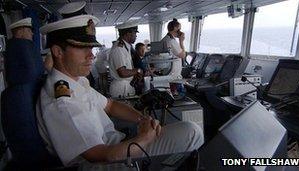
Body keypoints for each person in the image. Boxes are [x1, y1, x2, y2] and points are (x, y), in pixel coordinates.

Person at [36, 15, 204, 167]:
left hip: (119, 144)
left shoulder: (75, 81)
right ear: (58, 51)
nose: (92, 56)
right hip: (110, 161)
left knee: (189, 130)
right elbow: (100, 156)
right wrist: (144, 138)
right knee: (191, 132)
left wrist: (143, 119)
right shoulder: (62, 101)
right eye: (82, 48)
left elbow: (110, 105)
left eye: (91, 48)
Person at [4, 17, 44, 86]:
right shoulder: (22, 47)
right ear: (20, 32)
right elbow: (32, 72)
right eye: (29, 30)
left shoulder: (15, 46)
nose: (32, 33)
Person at [108, 21, 143, 98]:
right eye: (135, 33)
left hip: (125, 87)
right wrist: (138, 70)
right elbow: (122, 73)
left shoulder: (125, 47)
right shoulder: (119, 49)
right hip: (121, 89)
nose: (136, 36)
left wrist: (135, 74)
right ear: (128, 33)